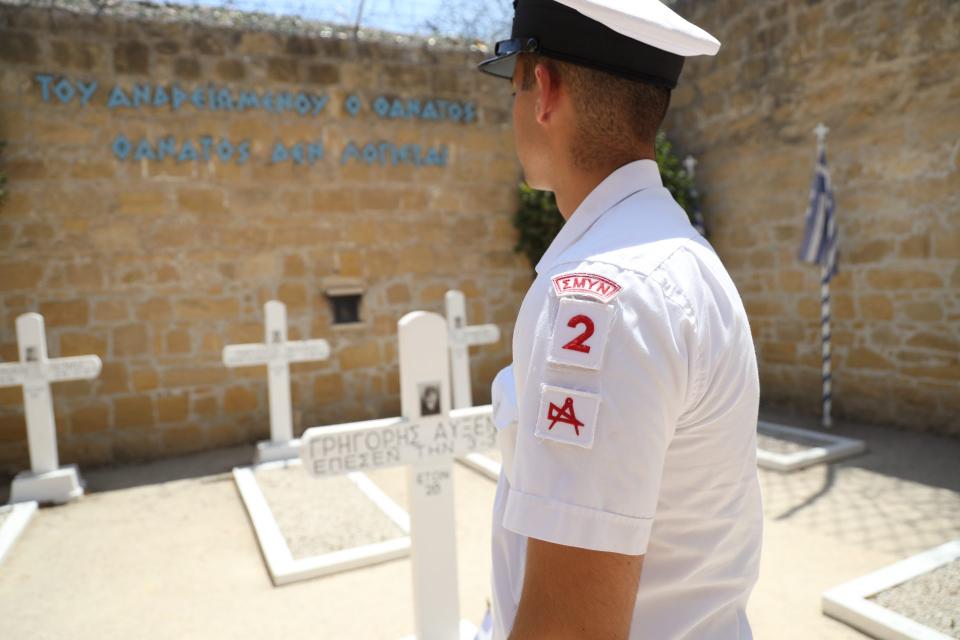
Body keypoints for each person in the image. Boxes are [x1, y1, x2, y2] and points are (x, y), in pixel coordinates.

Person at [477, 1, 763, 638]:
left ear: (544, 90)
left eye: (512, 81)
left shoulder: (601, 290)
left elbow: (570, 626)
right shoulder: (675, 253)